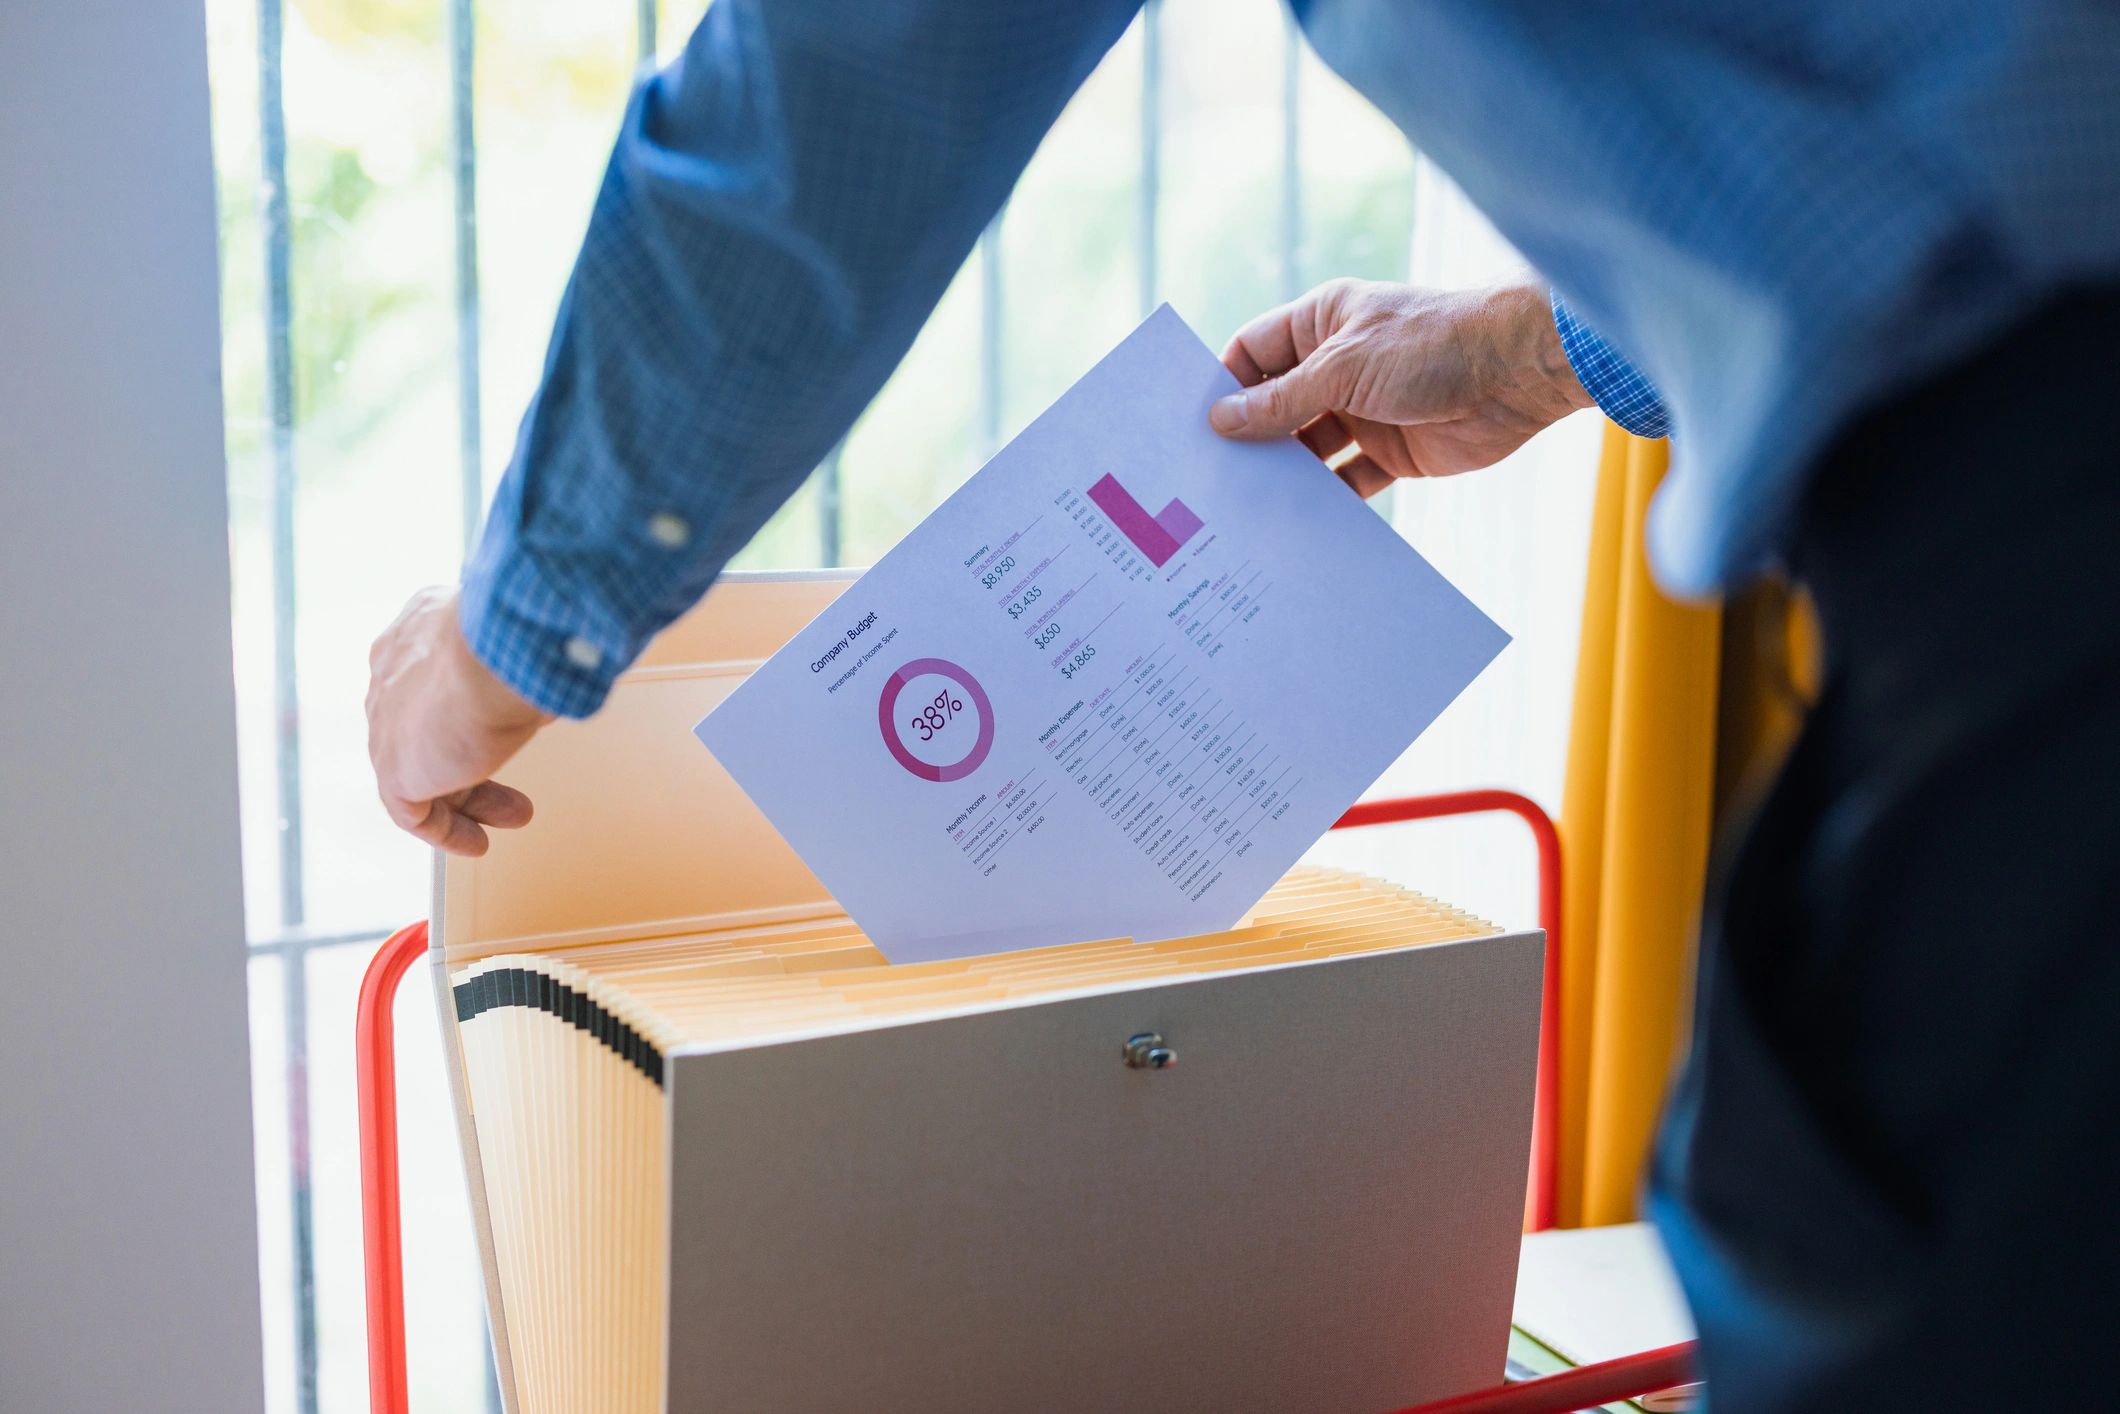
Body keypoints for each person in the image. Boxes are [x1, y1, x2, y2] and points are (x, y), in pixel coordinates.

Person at [365, 1, 2120, 1408]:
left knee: (1870, 1280)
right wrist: (1528, 350)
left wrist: (501, 649)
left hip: (2048, 537)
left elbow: (834, 101)